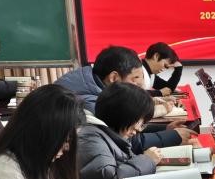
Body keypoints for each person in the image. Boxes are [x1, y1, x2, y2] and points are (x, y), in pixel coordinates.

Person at [57, 46, 191, 152]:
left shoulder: (90, 80)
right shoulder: (89, 102)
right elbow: (123, 139)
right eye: (135, 79)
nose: (139, 86)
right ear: (114, 78)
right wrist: (173, 136)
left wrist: (165, 128)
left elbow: (123, 126)